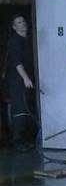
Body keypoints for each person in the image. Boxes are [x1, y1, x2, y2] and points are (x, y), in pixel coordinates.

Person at [3, 15, 36, 152]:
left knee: (28, 109)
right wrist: (25, 78)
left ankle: (26, 140)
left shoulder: (27, 40)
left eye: (23, 21)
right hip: (17, 81)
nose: (22, 24)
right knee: (20, 110)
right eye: (18, 22)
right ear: (14, 27)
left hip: (27, 80)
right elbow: (17, 62)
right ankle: (17, 141)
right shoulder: (15, 41)